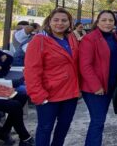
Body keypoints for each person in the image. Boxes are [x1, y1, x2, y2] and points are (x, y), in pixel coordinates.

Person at [24, 8, 80, 146]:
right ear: (49, 21)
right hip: (49, 95)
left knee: (63, 128)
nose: (60, 23)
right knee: (45, 128)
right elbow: (31, 71)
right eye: (56, 20)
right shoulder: (39, 40)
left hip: (70, 94)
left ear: (69, 23)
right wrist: (38, 95)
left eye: (64, 20)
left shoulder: (71, 38)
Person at [79, 10, 117, 146]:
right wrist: (96, 86)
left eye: (110, 20)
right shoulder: (89, 38)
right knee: (98, 121)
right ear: (97, 22)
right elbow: (85, 65)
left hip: (110, 85)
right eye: (104, 20)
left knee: (100, 120)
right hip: (95, 89)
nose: (107, 23)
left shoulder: (115, 37)